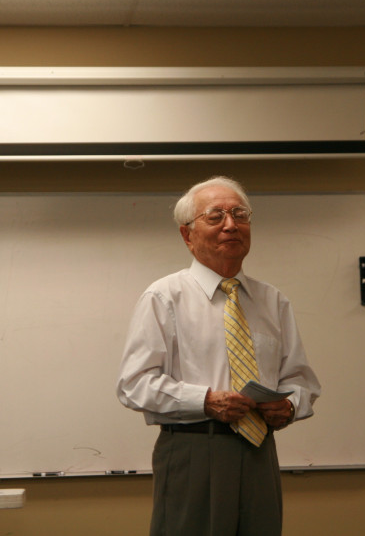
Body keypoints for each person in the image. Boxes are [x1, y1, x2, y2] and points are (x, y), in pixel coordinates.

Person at [116, 176, 321, 536]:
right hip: (193, 447)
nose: (231, 225)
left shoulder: (272, 300)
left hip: (260, 449)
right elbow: (134, 385)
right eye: (215, 216)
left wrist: (290, 406)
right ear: (187, 235)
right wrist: (206, 401)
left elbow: (300, 379)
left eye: (240, 215)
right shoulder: (164, 297)